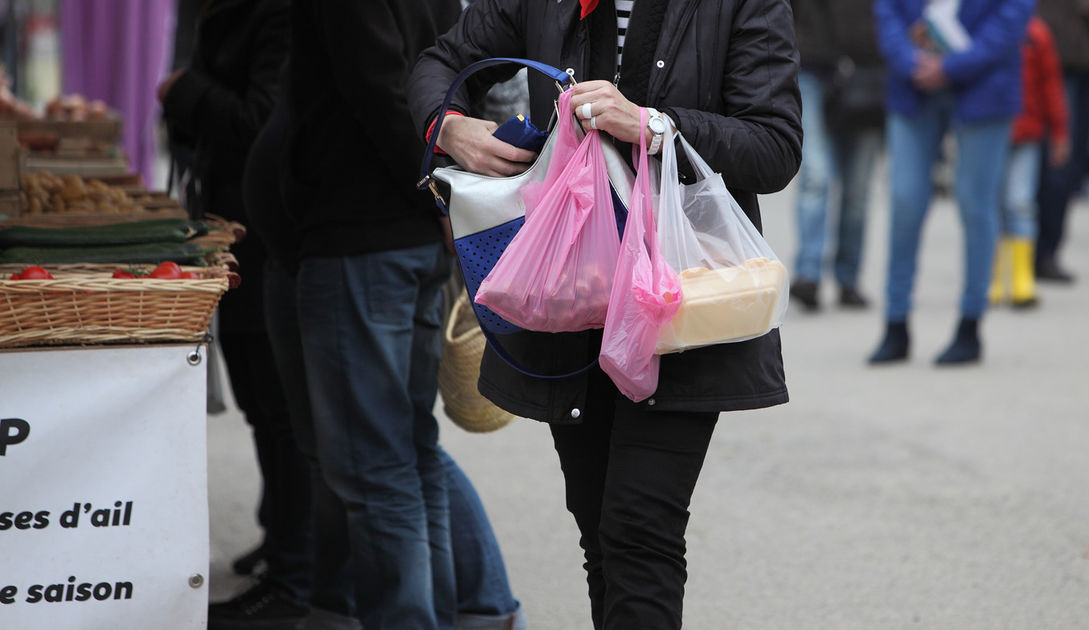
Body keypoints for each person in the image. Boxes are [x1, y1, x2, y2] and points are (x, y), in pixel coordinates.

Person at [408, 1, 801, 628]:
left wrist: (654, 126)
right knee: (597, 527)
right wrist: (448, 127)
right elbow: (444, 61)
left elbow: (776, 147)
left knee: (639, 528)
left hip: (684, 298)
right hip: (572, 292)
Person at [244, 78, 527, 630]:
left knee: (380, 461)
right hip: (325, 240)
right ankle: (424, 607)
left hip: (364, 241)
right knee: (376, 453)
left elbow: (416, 91)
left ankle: (474, 606)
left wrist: (455, 192)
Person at [157, 2, 317, 627]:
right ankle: (284, 545)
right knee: (262, 403)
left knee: (284, 411)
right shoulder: (227, 15)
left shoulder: (279, 17)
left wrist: (185, 90)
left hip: (268, 231)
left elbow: (258, 118)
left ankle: (297, 572)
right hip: (237, 223)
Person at [868, 0, 1035, 366]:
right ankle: (895, 322)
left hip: (987, 81)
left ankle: (970, 325)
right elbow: (887, 10)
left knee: (977, 205)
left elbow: (1014, 13)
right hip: (911, 83)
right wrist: (911, 61)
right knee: (905, 201)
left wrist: (955, 66)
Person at [790, 0, 885, 311]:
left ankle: (848, 278)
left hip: (870, 74)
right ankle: (809, 274)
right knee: (817, 175)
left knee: (857, 188)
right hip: (812, 68)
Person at [989, 16, 1069, 309]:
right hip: (989, 132)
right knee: (991, 203)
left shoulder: (1036, 34)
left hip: (1027, 135)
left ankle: (1022, 278)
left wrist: (1059, 131)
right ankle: (994, 276)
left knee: (1019, 201)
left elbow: (1051, 85)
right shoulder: (983, 28)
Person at [1034, 0, 1089, 283]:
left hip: (1070, 49)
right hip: (1026, 48)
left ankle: (1046, 251)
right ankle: (1014, 255)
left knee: (1059, 160)